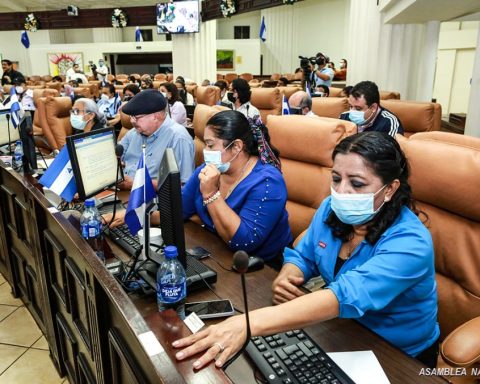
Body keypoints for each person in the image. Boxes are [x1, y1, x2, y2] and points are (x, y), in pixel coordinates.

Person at [172, 132, 440, 370]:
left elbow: (345, 295)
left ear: (390, 188)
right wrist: (290, 272)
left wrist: (247, 324)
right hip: (340, 328)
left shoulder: (410, 242)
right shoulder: (330, 207)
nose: (342, 191)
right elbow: (305, 254)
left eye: (357, 184)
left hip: (396, 353)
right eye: (336, 178)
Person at [106, 110, 292, 266]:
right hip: (216, 250)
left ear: (236, 147)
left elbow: (244, 241)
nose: (205, 152)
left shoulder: (268, 182)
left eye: (211, 145)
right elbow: (179, 210)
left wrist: (211, 194)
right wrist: (137, 215)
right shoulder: (206, 170)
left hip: (260, 267)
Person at [119, 89, 194, 189]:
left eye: (136, 117)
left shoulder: (178, 138)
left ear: (155, 117)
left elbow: (183, 186)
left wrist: (137, 183)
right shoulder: (134, 132)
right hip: (124, 191)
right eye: (131, 116)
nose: (132, 121)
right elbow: (116, 156)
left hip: (153, 199)